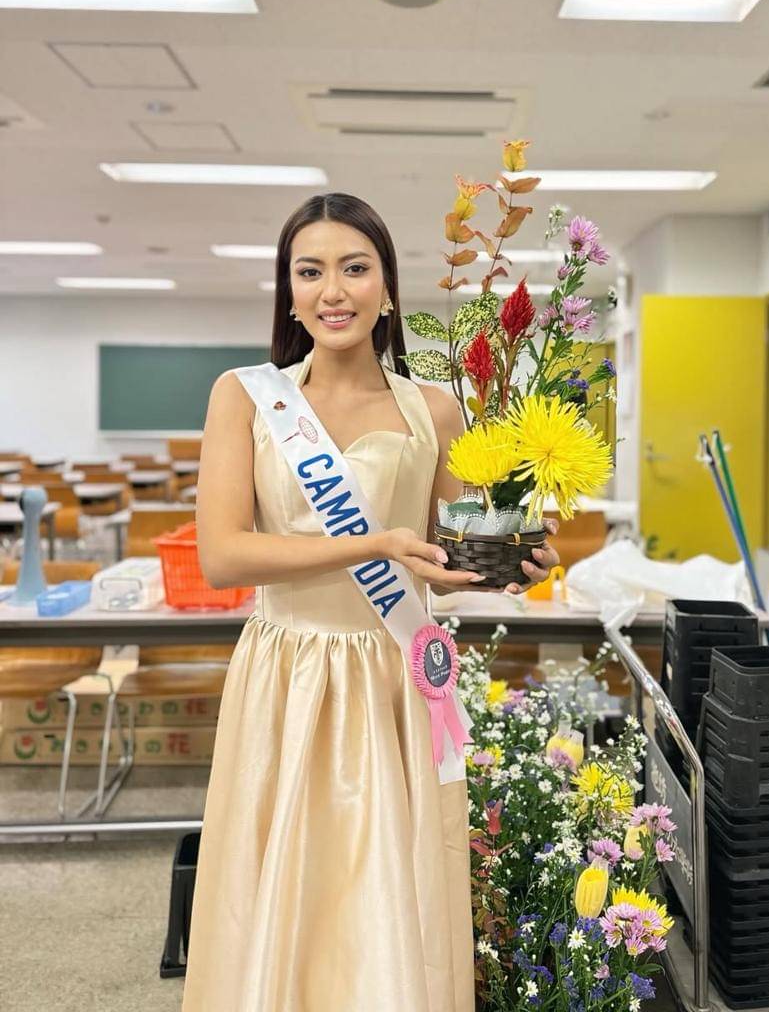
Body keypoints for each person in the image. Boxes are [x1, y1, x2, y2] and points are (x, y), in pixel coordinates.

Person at [181, 193, 560, 1012]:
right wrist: (372, 543)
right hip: (288, 673)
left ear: (388, 289)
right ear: (288, 293)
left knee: (387, 889)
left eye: (355, 268)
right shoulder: (245, 397)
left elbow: (452, 552)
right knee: (284, 878)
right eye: (309, 271)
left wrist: (516, 560)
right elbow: (222, 555)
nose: (333, 290)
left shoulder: (432, 409)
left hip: (395, 679)